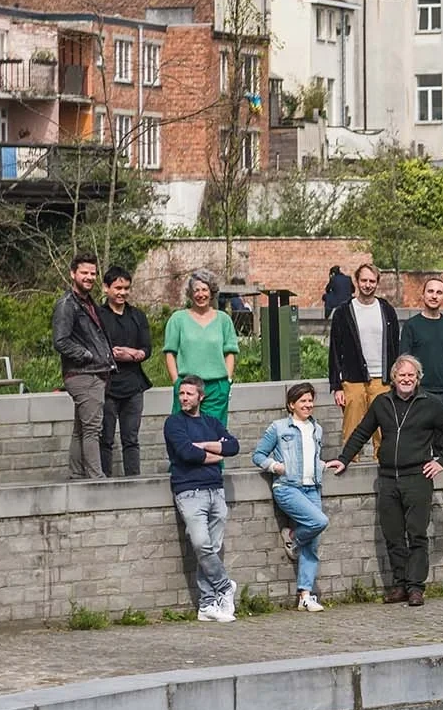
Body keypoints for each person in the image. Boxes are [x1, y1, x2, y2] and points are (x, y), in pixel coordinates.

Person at [328, 354, 443, 606]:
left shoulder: (430, 403)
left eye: (411, 375)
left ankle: (415, 587)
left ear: (418, 379)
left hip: (417, 477)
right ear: (393, 378)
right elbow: (362, 432)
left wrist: (442, 461)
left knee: (417, 534)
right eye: (402, 375)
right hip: (388, 477)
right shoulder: (381, 402)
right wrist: (344, 458)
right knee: (393, 535)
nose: (407, 380)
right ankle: (400, 584)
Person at [251, 382, 333, 612]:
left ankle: (305, 596)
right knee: (319, 522)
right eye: (303, 401)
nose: (308, 405)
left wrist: (325, 465)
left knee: (313, 545)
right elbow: (258, 455)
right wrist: (275, 466)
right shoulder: (278, 428)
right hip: (288, 487)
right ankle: (294, 537)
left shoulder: (317, 428)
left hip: (312, 487)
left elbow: (312, 457)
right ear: (291, 405)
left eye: (310, 401)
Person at [164, 376, 240, 622]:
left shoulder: (212, 422)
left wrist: (206, 446)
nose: (184, 398)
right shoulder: (174, 423)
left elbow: (233, 446)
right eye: (181, 394)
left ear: (200, 397)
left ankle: (207, 605)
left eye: (189, 394)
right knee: (201, 544)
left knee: (213, 549)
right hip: (189, 491)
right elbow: (186, 453)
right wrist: (215, 454)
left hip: (216, 491)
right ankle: (225, 586)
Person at [52, 252, 114, 481]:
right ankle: (96, 478)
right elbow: (60, 341)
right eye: (84, 273)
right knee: (92, 430)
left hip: (92, 372)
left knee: (81, 429)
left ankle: (77, 474)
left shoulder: (88, 303)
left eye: (93, 273)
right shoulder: (67, 304)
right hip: (83, 374)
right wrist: (87, 356)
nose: (89, 277)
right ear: (73, 273)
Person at [329, 264, 399, 457]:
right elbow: (335, 349)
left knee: (384, 430)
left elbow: (395, 346)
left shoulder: (387, 310)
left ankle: (383, 466)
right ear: (357, 282)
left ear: (377, 283)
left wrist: (396, 379)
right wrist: (336, 386)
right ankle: (351, 465)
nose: (368, 285)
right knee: (352, 428)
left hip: (382, 379)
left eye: (372, 281)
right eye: (364, 280)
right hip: (353, 379)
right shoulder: (343, 312)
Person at [163, 269, 239, 425]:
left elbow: (230, 352)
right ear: (191, 294)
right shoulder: (178, 319)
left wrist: (228, 381)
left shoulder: (223, 320)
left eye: (204, 289)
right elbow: (170, 352)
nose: (200, 294)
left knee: (214, 432)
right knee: (184, 431)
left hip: (216, 388)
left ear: (211, 292)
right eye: (196, 290)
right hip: (187, 385)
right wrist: (176, 381)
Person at [98, 266, 151, 477]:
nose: (122, 292)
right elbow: (98, 347)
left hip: (134, 385)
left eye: (126, 288)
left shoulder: (137, 316)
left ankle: (133, 480)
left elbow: (146, 348)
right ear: (106, 288)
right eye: (118, 288)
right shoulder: (98, 315)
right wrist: (116, 355)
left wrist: (133, 353)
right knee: (106, 438)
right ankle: (104, 479)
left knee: (131, 439)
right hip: (107, 385)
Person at [399, 275, 443, 412]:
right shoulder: (411, 325)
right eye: (430, 291)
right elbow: (404, 361)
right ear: (423, 294)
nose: (434, 296)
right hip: (421, 392)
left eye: (439, 293)